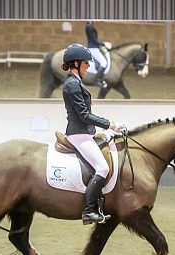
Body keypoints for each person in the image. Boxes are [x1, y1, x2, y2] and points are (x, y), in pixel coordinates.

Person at [61, 43, 125, 225]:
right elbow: (84, 115)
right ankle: (89, 211)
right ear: (75, 63)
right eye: (86, 63)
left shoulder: (76, 82)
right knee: (102, 168)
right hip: (78, 134)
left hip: (85, 132)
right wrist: (110, 124)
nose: (89, 66)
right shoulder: (72, 85)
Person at [85, 21, 110, 88]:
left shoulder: (90, 26)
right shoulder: (89, 27)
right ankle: (98, 80)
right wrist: (104, 44)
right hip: (93, 48)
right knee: (104, 63)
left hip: (94, 47)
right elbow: (94, 40)